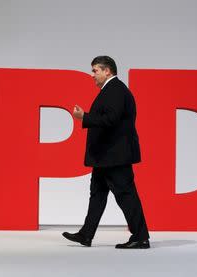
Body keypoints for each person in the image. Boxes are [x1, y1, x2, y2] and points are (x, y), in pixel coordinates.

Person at [62, 56, 150, 249]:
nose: (92, 75)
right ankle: (86, 235)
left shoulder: (115, 90)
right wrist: (86, 117)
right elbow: (109, 118)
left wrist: (84, 117)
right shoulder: (111, 90)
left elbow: (111, 119)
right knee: (97, 195)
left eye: (95, 70)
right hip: (106, 157)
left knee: (126, 195)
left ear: (107, 71)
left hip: (115, 157)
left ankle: (140, 237)